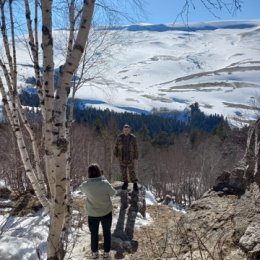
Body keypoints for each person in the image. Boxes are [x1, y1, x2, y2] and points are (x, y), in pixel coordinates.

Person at [80, 163, 116, 260]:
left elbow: (81, 188)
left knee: (94, 234)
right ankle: (106, 254)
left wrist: (88, 180)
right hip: (106, 212)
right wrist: (103, 179)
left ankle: (95, 254)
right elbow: (113, 193)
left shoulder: (86, 185)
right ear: (100, 171)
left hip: (92, 214)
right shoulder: (105, 183)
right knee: (107, 233)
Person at [114, 123, 139, 191]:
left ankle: (135, 184)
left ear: (129, 130)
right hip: (122, 157)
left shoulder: (133, 138)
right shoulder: (119, 137)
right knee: (123, 171)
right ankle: (125, 182)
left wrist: (136, 156)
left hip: (130, 157)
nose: (126, 131)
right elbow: (116, 146)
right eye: (124, 130)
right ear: (123, 130)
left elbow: (135, 147)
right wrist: (115, 153)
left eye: (127, 130)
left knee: (132, 171)